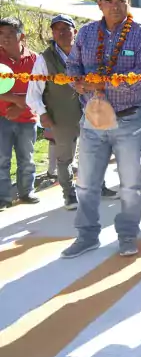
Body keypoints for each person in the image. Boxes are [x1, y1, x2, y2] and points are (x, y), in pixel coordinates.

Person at [62, 0, 141, 258]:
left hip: (129, 119)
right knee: (86, 183)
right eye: (109, 0)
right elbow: (72, 66)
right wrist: (77, 83)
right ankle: (86, 235)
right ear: (99, 4)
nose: (115, 6)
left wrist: (102, 83)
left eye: (120, 0)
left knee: (130, 185)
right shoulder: (86, 33)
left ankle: (127, 236)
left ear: (128, 1)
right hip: (91, 119)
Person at [26, 14, 80, 210]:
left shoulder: (85, 52)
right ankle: (69, 194)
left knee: (95, 153)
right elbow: (33, 93)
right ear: (52, 33)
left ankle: (99, 187)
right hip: (61, 116)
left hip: (90, 113)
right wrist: (42, 112)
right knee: (64, 158)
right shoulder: (44, 59)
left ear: (75, 31)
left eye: (66, 28)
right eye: (57, 29)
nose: (62, 32)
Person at [0, 17, 39, 209]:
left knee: (27, 158)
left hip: (27, 119)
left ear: (21, 36)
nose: (5, 38)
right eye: (1, 34)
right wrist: (16, 100)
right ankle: (3, 198)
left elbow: (40, 90)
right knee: (2, 159)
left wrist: (21, 106)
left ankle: (26, 192)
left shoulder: (35, 60)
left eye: (10, 34)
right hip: (2, 118)